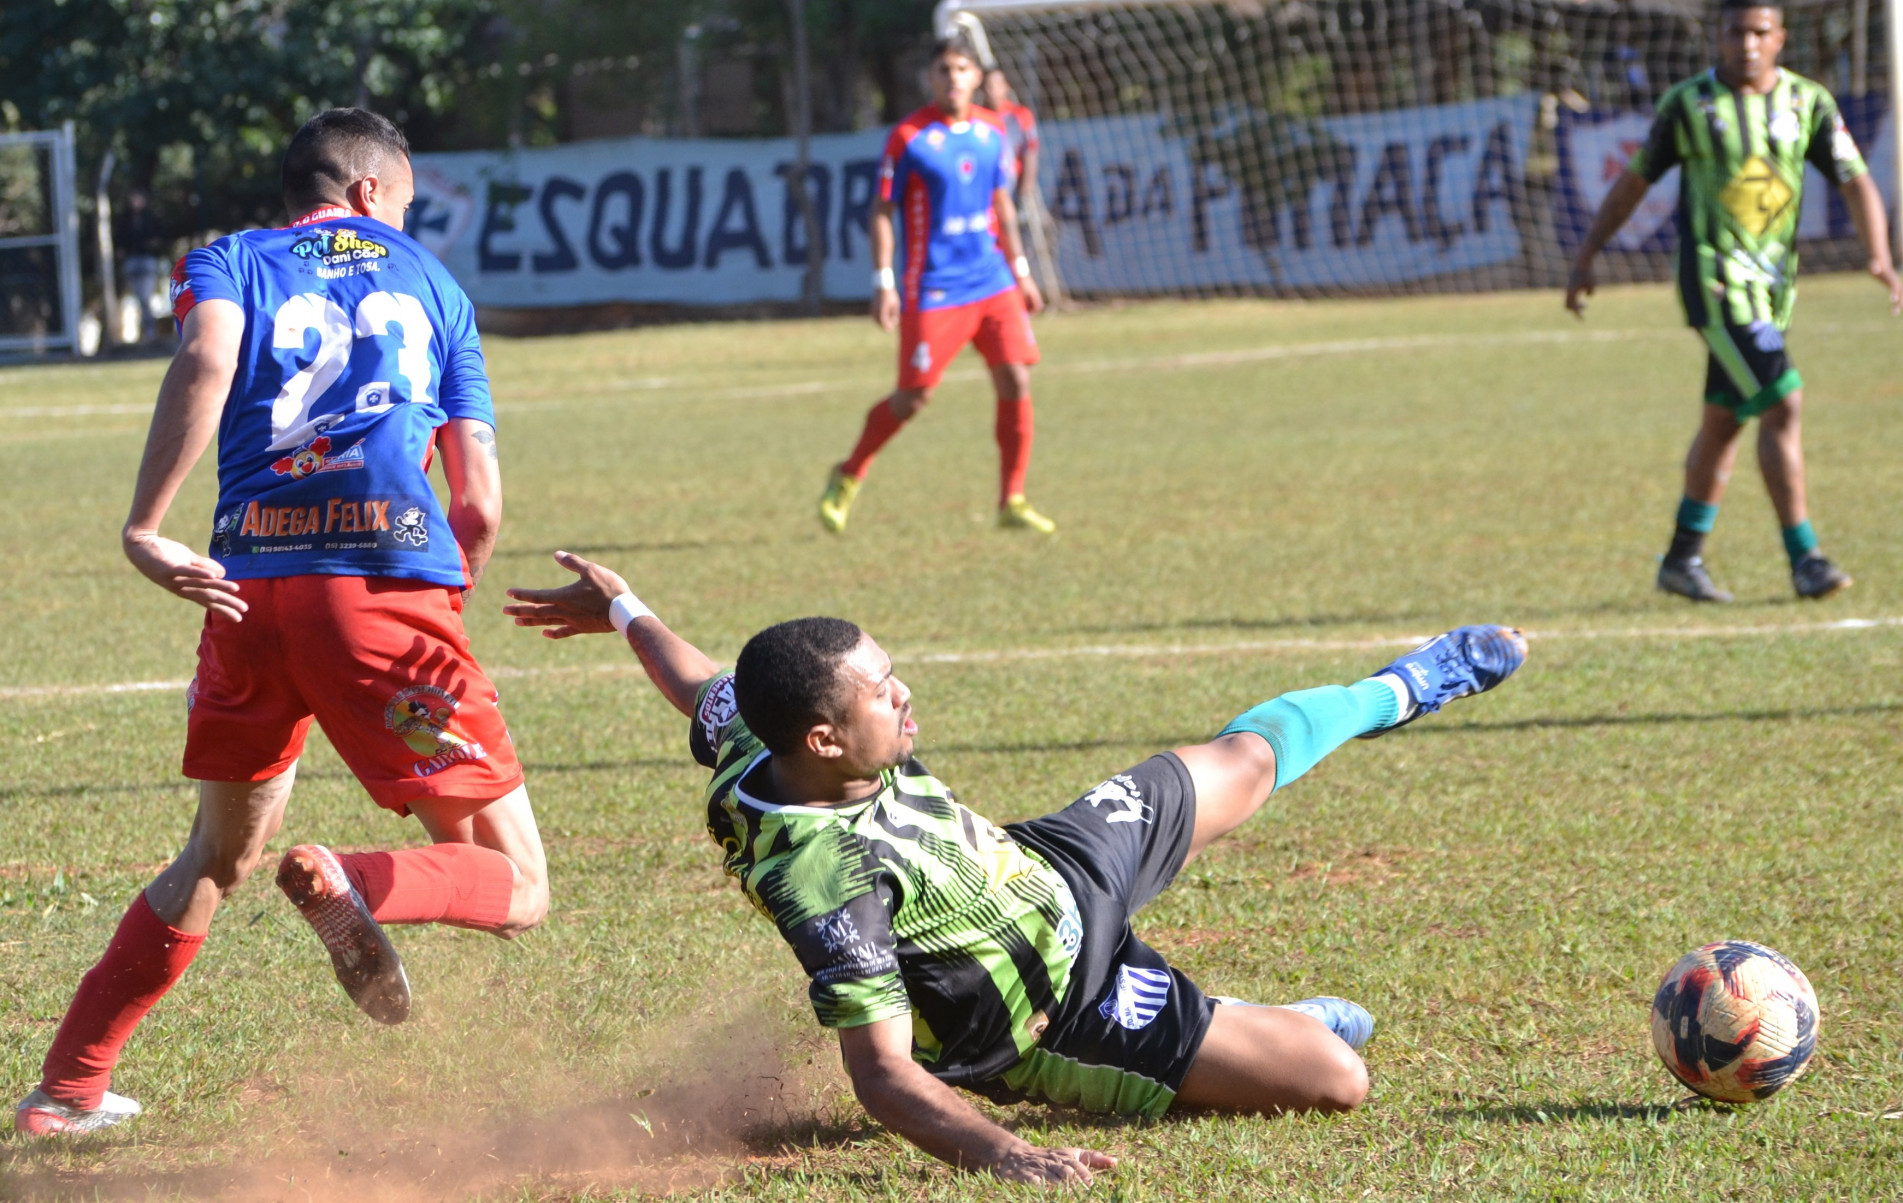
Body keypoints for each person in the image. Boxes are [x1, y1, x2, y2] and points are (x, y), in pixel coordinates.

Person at [503, 550, 1529, 1183]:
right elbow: (883, 1075)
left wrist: (624, 608)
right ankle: (1280, 1026)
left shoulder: (761, 737)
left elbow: (701, 686)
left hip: (1047, 869)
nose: (902, 698)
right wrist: (1008, 1154)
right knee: (1335, 1080)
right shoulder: (823, 880)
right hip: (1050, 1012)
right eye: (881, 692)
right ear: (821, 740)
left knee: (1244, 761)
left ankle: (1413, 681)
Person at [14, 109, 549, 1137]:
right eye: (399, 200)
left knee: (216, 854)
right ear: (367, 194)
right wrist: (436, 613)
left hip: (244, 595)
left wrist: (145, 525)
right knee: (519, 885)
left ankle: (70, 1088)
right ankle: (353, 880)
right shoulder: (433, 283)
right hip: (380, 592)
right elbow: (478, 501)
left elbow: (208, 362)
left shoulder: (230, 260)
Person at [1566, 0, 1900, 602]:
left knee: (1724, 420)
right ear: (1718, 39)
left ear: (1780, 39)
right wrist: (1588, 252)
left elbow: (1854, 179)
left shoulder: (1808, 103)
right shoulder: (1690, 105)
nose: (1746, 44)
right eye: (1735, 32)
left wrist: (1879, 254)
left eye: (1759, 32)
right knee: (1783, 402)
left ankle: (1681, 558)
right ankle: (1807, 559)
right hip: (1715, 281)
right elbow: (1634, 181)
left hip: (1773, 287)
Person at [818, 36, 1052, 535]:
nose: (953, 78)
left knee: (1016, 379)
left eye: (962, 69)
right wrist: (884, 281)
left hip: (992, 279)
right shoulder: (909, 137)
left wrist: (1022, 271)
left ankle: (1012, 498)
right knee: (913, 397)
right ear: (931, 78)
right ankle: (849, 473)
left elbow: (1002, 204)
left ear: (976, 76)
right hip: (936, 288)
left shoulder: (993, 130)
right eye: (944, 70)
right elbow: (882, 211)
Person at [983, 68, 1040, 212]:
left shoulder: (1020, 115)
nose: (992, 89)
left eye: (996, 84)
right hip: (985, 191)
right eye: (988, 85)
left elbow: (1030, 151)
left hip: (1011, 189)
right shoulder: (976, 117)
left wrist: (1026, 186)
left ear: (1006, 86)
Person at [118, 189, 168, 344]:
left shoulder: (151, 219)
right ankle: (144, 331)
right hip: (131, 260)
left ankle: (149, 332)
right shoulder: (125, 219)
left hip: (147, 260)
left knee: (145, 298)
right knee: (138, 298)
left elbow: (158, 238)